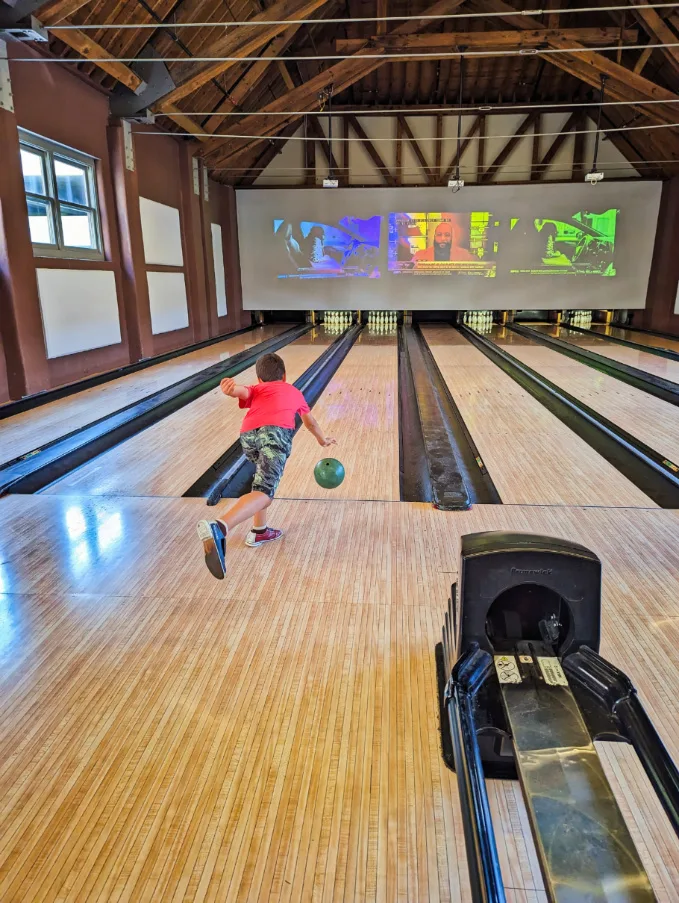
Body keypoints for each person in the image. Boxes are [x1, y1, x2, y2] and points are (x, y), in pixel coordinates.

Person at [197, 352, 336, 580]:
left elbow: (243, 391)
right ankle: (220, 527)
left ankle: (260, 531)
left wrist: (231, 390)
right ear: (284, 375)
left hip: (248, 436)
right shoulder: (293, 391)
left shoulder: (257, 388)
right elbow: (310, 421)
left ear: (260, 379)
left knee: (261, 482)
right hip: (274, 434)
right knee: (265, 493)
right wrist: (322, 440)